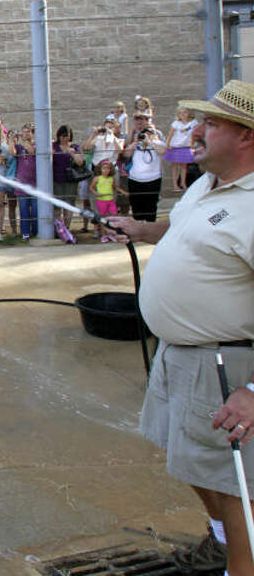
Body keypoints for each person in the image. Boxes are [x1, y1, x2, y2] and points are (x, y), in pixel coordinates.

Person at [107, 79, 254, 576]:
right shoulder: (206, 183)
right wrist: (144, 231)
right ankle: (220, 542)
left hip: (225, 363)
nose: (195, 130)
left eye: (210, 123)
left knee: (236, 487)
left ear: (246, 136)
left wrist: (253, 390)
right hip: (181, 354)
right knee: (191, 459)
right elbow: (187, 226)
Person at [122, 113, 166, 222]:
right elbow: (126, 154)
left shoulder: (156, 141)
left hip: (153, 178)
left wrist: (150, 142)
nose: (145, 135)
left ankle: (150, 231)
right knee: (136, 208)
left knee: (151, 208)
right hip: (135, 179)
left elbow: (163, 151)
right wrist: (135, 142)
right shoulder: (135, 141)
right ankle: (139, 232)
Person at [51, 124, 86, 233]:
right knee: (56, 206)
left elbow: (80, 162)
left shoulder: (74, 147)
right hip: (56, 180)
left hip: (70, 181)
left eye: (67, 135)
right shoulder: (53, 146)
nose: (64, 138)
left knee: (69, 205)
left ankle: (66, 228)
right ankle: (58, 229)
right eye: (62, 135)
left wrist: (72, 153)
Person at [88, 159, 125, 242]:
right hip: (101, 201)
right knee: (102, 218)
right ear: (100, 169)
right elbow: (91, 188)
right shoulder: (97, 178)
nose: (106, 170)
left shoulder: (111, 178)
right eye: (104, 168)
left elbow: (115, 187)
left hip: (110, 200)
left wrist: (122, 191)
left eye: (108, 168)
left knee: (113, 216)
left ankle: (111, 234)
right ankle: (104, 235)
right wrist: (96, 193)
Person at [164, 107, 198, 192]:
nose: (183, 114)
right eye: (180, 113)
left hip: (186, 147)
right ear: (178, 115)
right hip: (175, 146)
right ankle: (175, 185)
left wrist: (193, 144)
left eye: (185, 112)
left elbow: (194, 134)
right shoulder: (176, 123)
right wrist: (167, 145)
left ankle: (183, 183)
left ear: (189, 113)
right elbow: (170, 135)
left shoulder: (193, 123)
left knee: (184, 167)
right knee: (175, 167)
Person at [13, 123, 37, 241]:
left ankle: (36, 232)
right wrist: (11, 140)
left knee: (36, 209)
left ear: (33, 133)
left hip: (35, 184)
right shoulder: (19, 147)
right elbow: (12, 152)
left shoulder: (37, 144)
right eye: (24, 132)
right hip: (22, 184)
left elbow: (32, 151)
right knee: (23, 209)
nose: (25, 134)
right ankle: (25, 232)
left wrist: (26, 141)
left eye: (28, 132)